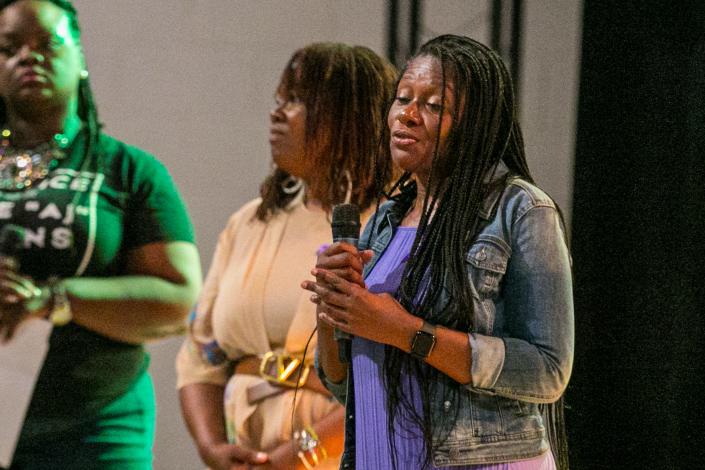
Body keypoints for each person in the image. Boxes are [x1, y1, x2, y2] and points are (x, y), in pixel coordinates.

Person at [304, 34, 574, 470]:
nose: (407, 115)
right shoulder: (385, 222)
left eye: (433, 106)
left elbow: (548, 370)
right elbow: (345, 386)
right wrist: (334, 308)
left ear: (477, 123)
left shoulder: (521, 210)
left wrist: (406, 330)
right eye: (403, 98)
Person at [0, 1, 202, 468]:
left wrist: (53, 298)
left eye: (47, 44)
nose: (26, 58)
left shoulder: (128, 170)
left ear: (80, 57)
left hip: (92, 429)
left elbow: (179, 297)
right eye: (8, 49)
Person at [176, 43, 396, 470]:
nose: (277, 114)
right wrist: (212, 449)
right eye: (280, 100)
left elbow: (394, 379)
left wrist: (303, 454)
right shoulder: (250, 223)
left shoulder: (390, 227)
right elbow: (199, 357)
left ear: (348, 117)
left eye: (296, 101)